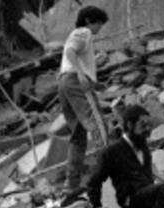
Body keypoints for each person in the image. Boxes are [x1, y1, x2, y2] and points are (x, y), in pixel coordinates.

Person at [58, 5, 109, 197]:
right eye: (99, 25)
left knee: (77, 136)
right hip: (74, 81)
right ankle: (109, 175)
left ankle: (71, 185)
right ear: (89, 20)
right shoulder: (84, 32)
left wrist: (95, 84)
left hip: (64, 83)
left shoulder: (78, 34)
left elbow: (71, 58)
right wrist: (81, 75)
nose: (98, 30)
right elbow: (71, 51)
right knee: (98, 126)